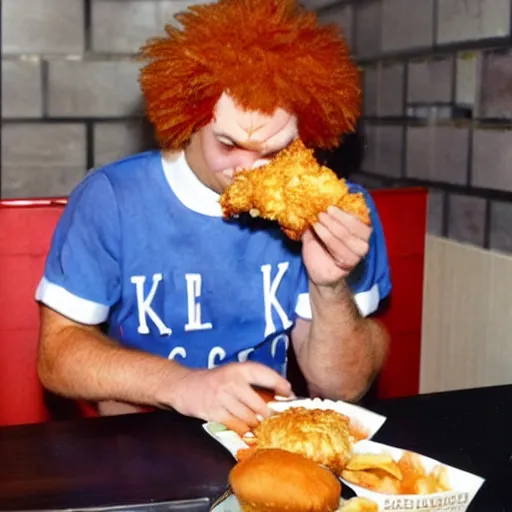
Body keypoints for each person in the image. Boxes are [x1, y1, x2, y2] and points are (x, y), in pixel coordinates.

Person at [35, 0, 391, 435]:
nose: (251, 169)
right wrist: (184, 386)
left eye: (277, 151)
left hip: (264, 442)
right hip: (139, 446)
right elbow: (56, 356)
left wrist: (329, 284)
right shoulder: (112, 199)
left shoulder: (338, 212)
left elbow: (342, 387)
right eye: (229, 144)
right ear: (190, 118)